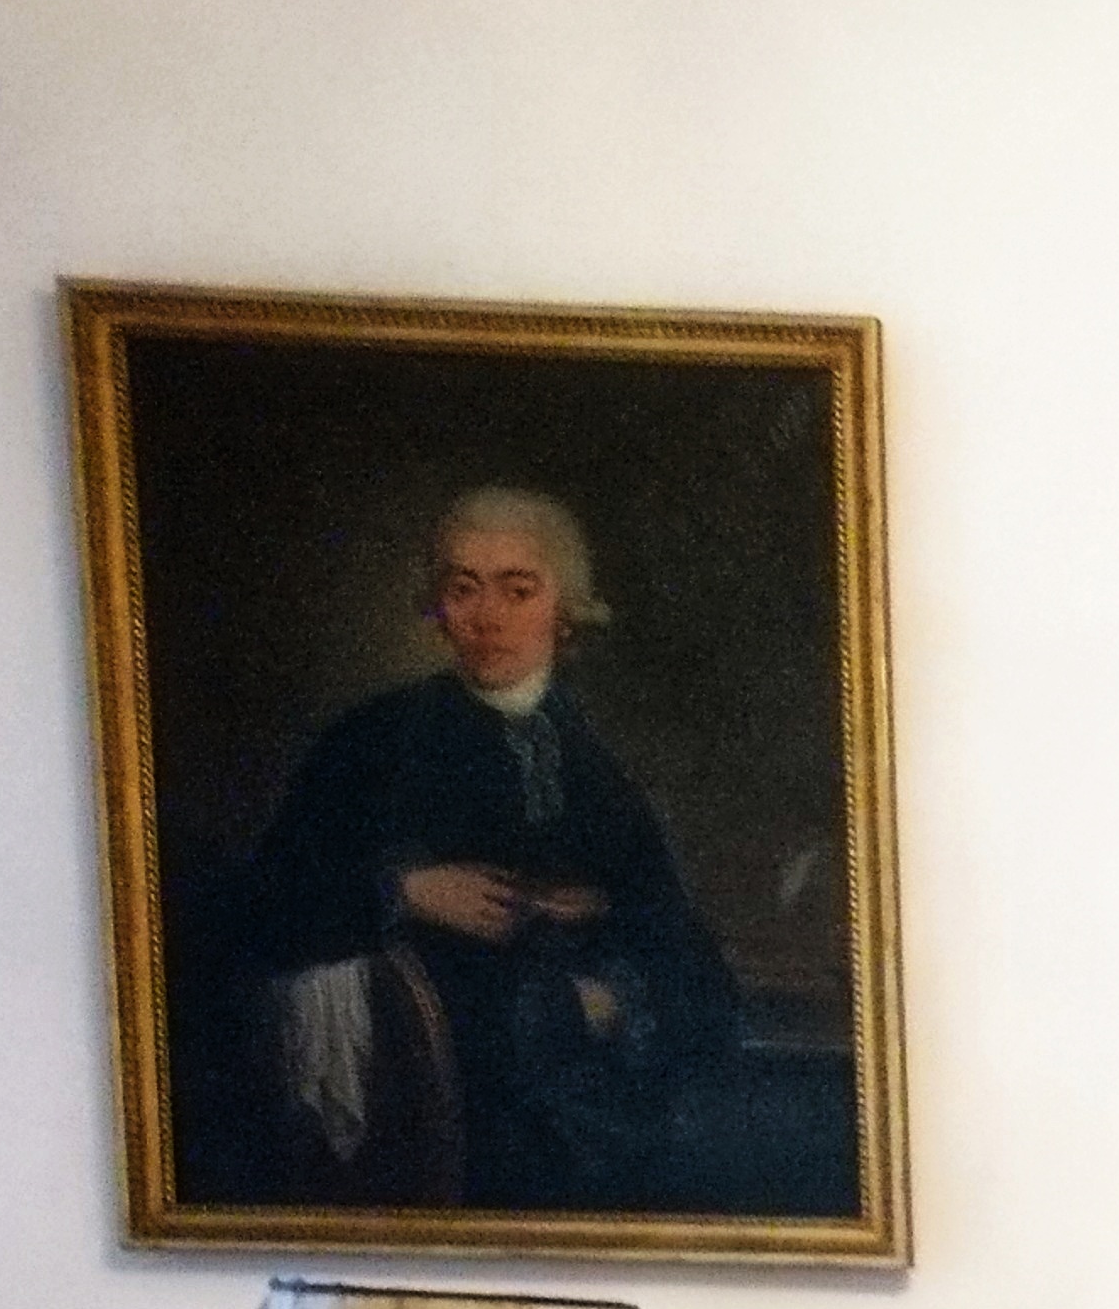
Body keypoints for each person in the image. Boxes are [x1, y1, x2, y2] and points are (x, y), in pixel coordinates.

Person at [201, 485, 743, 1213]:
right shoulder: (373, 740)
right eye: (463, 589)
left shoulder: (593, 764)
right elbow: (256, 913)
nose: (487, 617)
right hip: (442, 1117)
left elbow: (685, 955)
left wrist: (604, 997)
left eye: (518, 591)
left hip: (605, 1103)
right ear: (439, 606)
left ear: (564, 610)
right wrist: (405, 891)